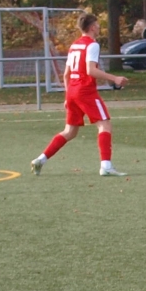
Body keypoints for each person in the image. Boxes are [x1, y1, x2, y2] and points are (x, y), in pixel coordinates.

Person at [33, 12, 127, 176]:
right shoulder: (92, 45)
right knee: (104, 125)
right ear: (92, 27)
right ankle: (106, 166)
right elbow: (91, 71)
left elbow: (66, 74)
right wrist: (115, 78)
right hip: (85, 91)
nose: (99, 27)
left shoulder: (75, 45)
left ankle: (41, 159)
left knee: (70, 131)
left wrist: (67, 96)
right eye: (97, 24)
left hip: (73, 90)